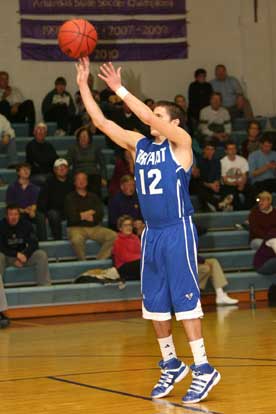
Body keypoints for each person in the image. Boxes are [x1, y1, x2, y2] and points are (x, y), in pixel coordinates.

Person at [76, 57, 220, 404]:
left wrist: (120, 89)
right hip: (151, 234)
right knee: (154, 305)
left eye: (159, 114)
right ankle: (171, 363)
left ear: (173, 122)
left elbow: (144, 116)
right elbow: (101, 121)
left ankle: (203, 368)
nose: (153, 117)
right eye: (152, 113)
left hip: (177, 230)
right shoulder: (139, 145)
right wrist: (83, 84)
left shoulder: (181, 143)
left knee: (185, 303)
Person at [0, 205, 51, 324]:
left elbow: (34, 243)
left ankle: (44, 287)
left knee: (41, 255)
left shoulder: (26, 225)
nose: (13, 217)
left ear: (19, 215)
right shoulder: (1, 226)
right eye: (11, 214)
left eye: (16, 214)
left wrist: (25, 255)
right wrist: (15, 254)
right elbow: (1, 246)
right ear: (7, 216)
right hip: (7, 256)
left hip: (23, 256)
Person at [65, 171, 116, 261]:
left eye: (84, 179)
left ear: (87, 182)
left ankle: (99, 261)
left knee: (114, 236)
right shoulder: (69, 198)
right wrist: (88, 214)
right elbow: (71, 217)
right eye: (79, 179)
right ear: (74, 182)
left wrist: (82, 215)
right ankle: (83, 263)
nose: (81, 181)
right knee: (76, 240)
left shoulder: (94, 197)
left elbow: (100, 214)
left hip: (94, 227)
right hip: (76, 228)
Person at [37, 158, 74, 240]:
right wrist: (45, 214)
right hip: (54, 211)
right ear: (54, 170)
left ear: (67, 169)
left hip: (70, 210)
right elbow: (42, 200)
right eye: (59, 167)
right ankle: (58, 239)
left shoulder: (72, 181)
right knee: (53, 214)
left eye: (64, 167)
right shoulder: (49, 182)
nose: (62, 169)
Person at [66, 126, 106, 196]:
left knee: (95, 189)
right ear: (78, 138)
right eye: (81, 136)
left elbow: (102, 164)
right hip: (78, 174)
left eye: (85, 136)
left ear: (89, 138)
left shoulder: (96, 148)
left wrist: (103, 177)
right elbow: (67, 163)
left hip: (93, 174)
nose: (83, 138)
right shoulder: (73, 149)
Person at [5, 162, 44, 237]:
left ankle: (43, 241)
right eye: (24, 169)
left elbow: (34, 202)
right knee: (21, 217)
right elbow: (9, 205)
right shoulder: (12, 187)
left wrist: (32, 210)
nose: (27, 171)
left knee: (40, 216)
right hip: (18, 212)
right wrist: (22, 210)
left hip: (30, 211)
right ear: (18, 172)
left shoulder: (34, 188)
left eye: (28, 169)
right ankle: (26, 240)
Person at [197, 142, 233, 211]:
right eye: (208, 149)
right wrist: (210, 185)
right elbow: (200, 179)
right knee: (201, 191)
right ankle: (219, 205)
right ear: (204, 150)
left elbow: (218, 174)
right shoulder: (199, 161)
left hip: (215, 184)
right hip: (205, 185)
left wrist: (216, 183)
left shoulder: (217, 161)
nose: (210, 151)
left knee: (229, 189)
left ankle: (217, 205)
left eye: (212, 149)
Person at [0, 71, 35, 135]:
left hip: (17, 112)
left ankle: (31, 132)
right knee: (4, 103)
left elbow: (21, 101)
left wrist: (16, 105)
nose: (5, 81)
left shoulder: (15, 89)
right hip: (6, 116)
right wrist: (4, 96)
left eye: (6, 79)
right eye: (2, 79)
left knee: (29, 102)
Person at [220, 141, 252, 210]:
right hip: (228, 185)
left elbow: (245, 175)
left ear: (236, 150)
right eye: (230, 149)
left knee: (251, 191)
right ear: (226, 151)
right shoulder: (222, 162)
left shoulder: (242, 160)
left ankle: (248, 210)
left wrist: (242, 184)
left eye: (234, 148)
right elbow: (224, 180)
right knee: (233, 194)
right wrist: (233, 183)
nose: (232, 151)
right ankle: (239, 211)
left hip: (241, 183)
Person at [26, 122, 58, 186]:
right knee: (45, 180)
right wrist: (49, 161)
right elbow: (38, 160)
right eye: (39, 129)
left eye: (43, 129)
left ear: (46, 133)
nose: (41, 131)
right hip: (36, 174)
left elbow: (55, 159)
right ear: (34, 132)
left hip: (49, 173)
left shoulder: (49, 145)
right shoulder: (30, 145)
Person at [112, 215, 141, 282]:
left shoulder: (135, 238)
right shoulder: (118, 241)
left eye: (130, 225)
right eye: (125, 225)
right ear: (120, 228)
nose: (128, 227)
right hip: (123, 267)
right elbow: (125, 257)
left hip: (136, 265)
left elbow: (141, 252)